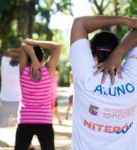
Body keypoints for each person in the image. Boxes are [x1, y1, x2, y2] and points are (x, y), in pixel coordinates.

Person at [69, 15, 137, 150]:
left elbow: (80, 23)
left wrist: (125, 21)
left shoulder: (85, 79)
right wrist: (119, 53)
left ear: (92, 56)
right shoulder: (133, 79)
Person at [14, 39, 61, 150]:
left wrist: (33, 58)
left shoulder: (23, 71)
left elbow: (23, 44)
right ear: (43, 58)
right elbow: (57, 47)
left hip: (25, 121)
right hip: (44, 121)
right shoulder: (49, 71)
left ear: (27, 57)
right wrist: (34, 43)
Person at [0, 48, 21, 150]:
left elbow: (6, 52)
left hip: (5, 100)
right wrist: (25, 51)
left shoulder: (5, 65)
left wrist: (19, 50)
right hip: (18, 101)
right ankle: (27, 145)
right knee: (22, 126)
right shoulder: (21, 67)